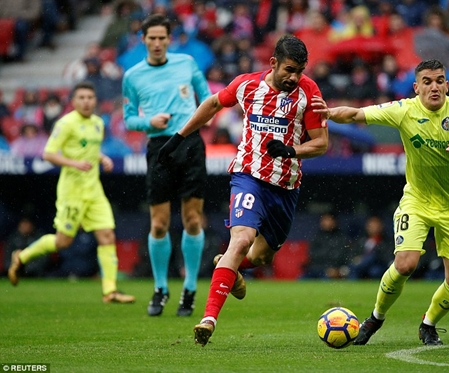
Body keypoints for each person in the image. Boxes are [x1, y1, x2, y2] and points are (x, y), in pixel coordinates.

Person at [157, 34, 328, 346]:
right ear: (273, 62)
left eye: (300, 71)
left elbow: (321, 143)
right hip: (247, 175)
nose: (295, 77)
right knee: (242, 238)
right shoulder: (247, 85)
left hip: (286, 186)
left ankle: (232, 265)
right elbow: (211, 104)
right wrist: (178, 138)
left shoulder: (309, 92)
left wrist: (290, 151)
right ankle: (208, 318)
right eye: (289, 70)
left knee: (261, 256)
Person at [313, 59, 449, 345]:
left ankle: (428, 324)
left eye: (439, 80)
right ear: (416, 87)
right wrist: (330, 112)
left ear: (447, 84)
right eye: (427, 81)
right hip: (417, 201)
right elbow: (357, 114)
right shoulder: (404, 110)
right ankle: (375, 318)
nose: (434, 86)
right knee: (405, 264)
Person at [7, 81, 135, 305]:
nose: (86, 102)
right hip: (72, 192)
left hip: (94, 191)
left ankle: (110, 291)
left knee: (107, 236)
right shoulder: (65, 124)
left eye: (90, 98)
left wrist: (102, 158)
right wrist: (73, 163)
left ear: (95, 101)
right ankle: (22, 256)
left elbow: (90, 151)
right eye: (82, 98)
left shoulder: (97, 123)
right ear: (74, 101)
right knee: (62, 242)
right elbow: (48, 153)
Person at [122, 14, 212, 317]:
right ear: (143, 39)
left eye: (162, 38)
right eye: (152, 38)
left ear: (169, 39)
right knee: (159, 223)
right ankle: (160, 287)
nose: (157, 43)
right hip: (159, 146)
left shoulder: (186, 63)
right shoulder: (132, 76)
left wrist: (199, 117)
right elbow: (129, 118)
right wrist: (149, 121)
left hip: (189, 144)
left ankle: (189, 288)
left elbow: (208, 99)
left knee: (192, 220)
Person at [302, 212, 352, 279]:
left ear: (334, 222)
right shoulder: (317, 236)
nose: (324, 222)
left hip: (333, 269)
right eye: (323, 220)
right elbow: (312, 254)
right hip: (315, 268)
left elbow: (343, 256)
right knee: (301, 280)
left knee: (326, 279)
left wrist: (337, 269)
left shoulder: (342, 237)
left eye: (327, 220)